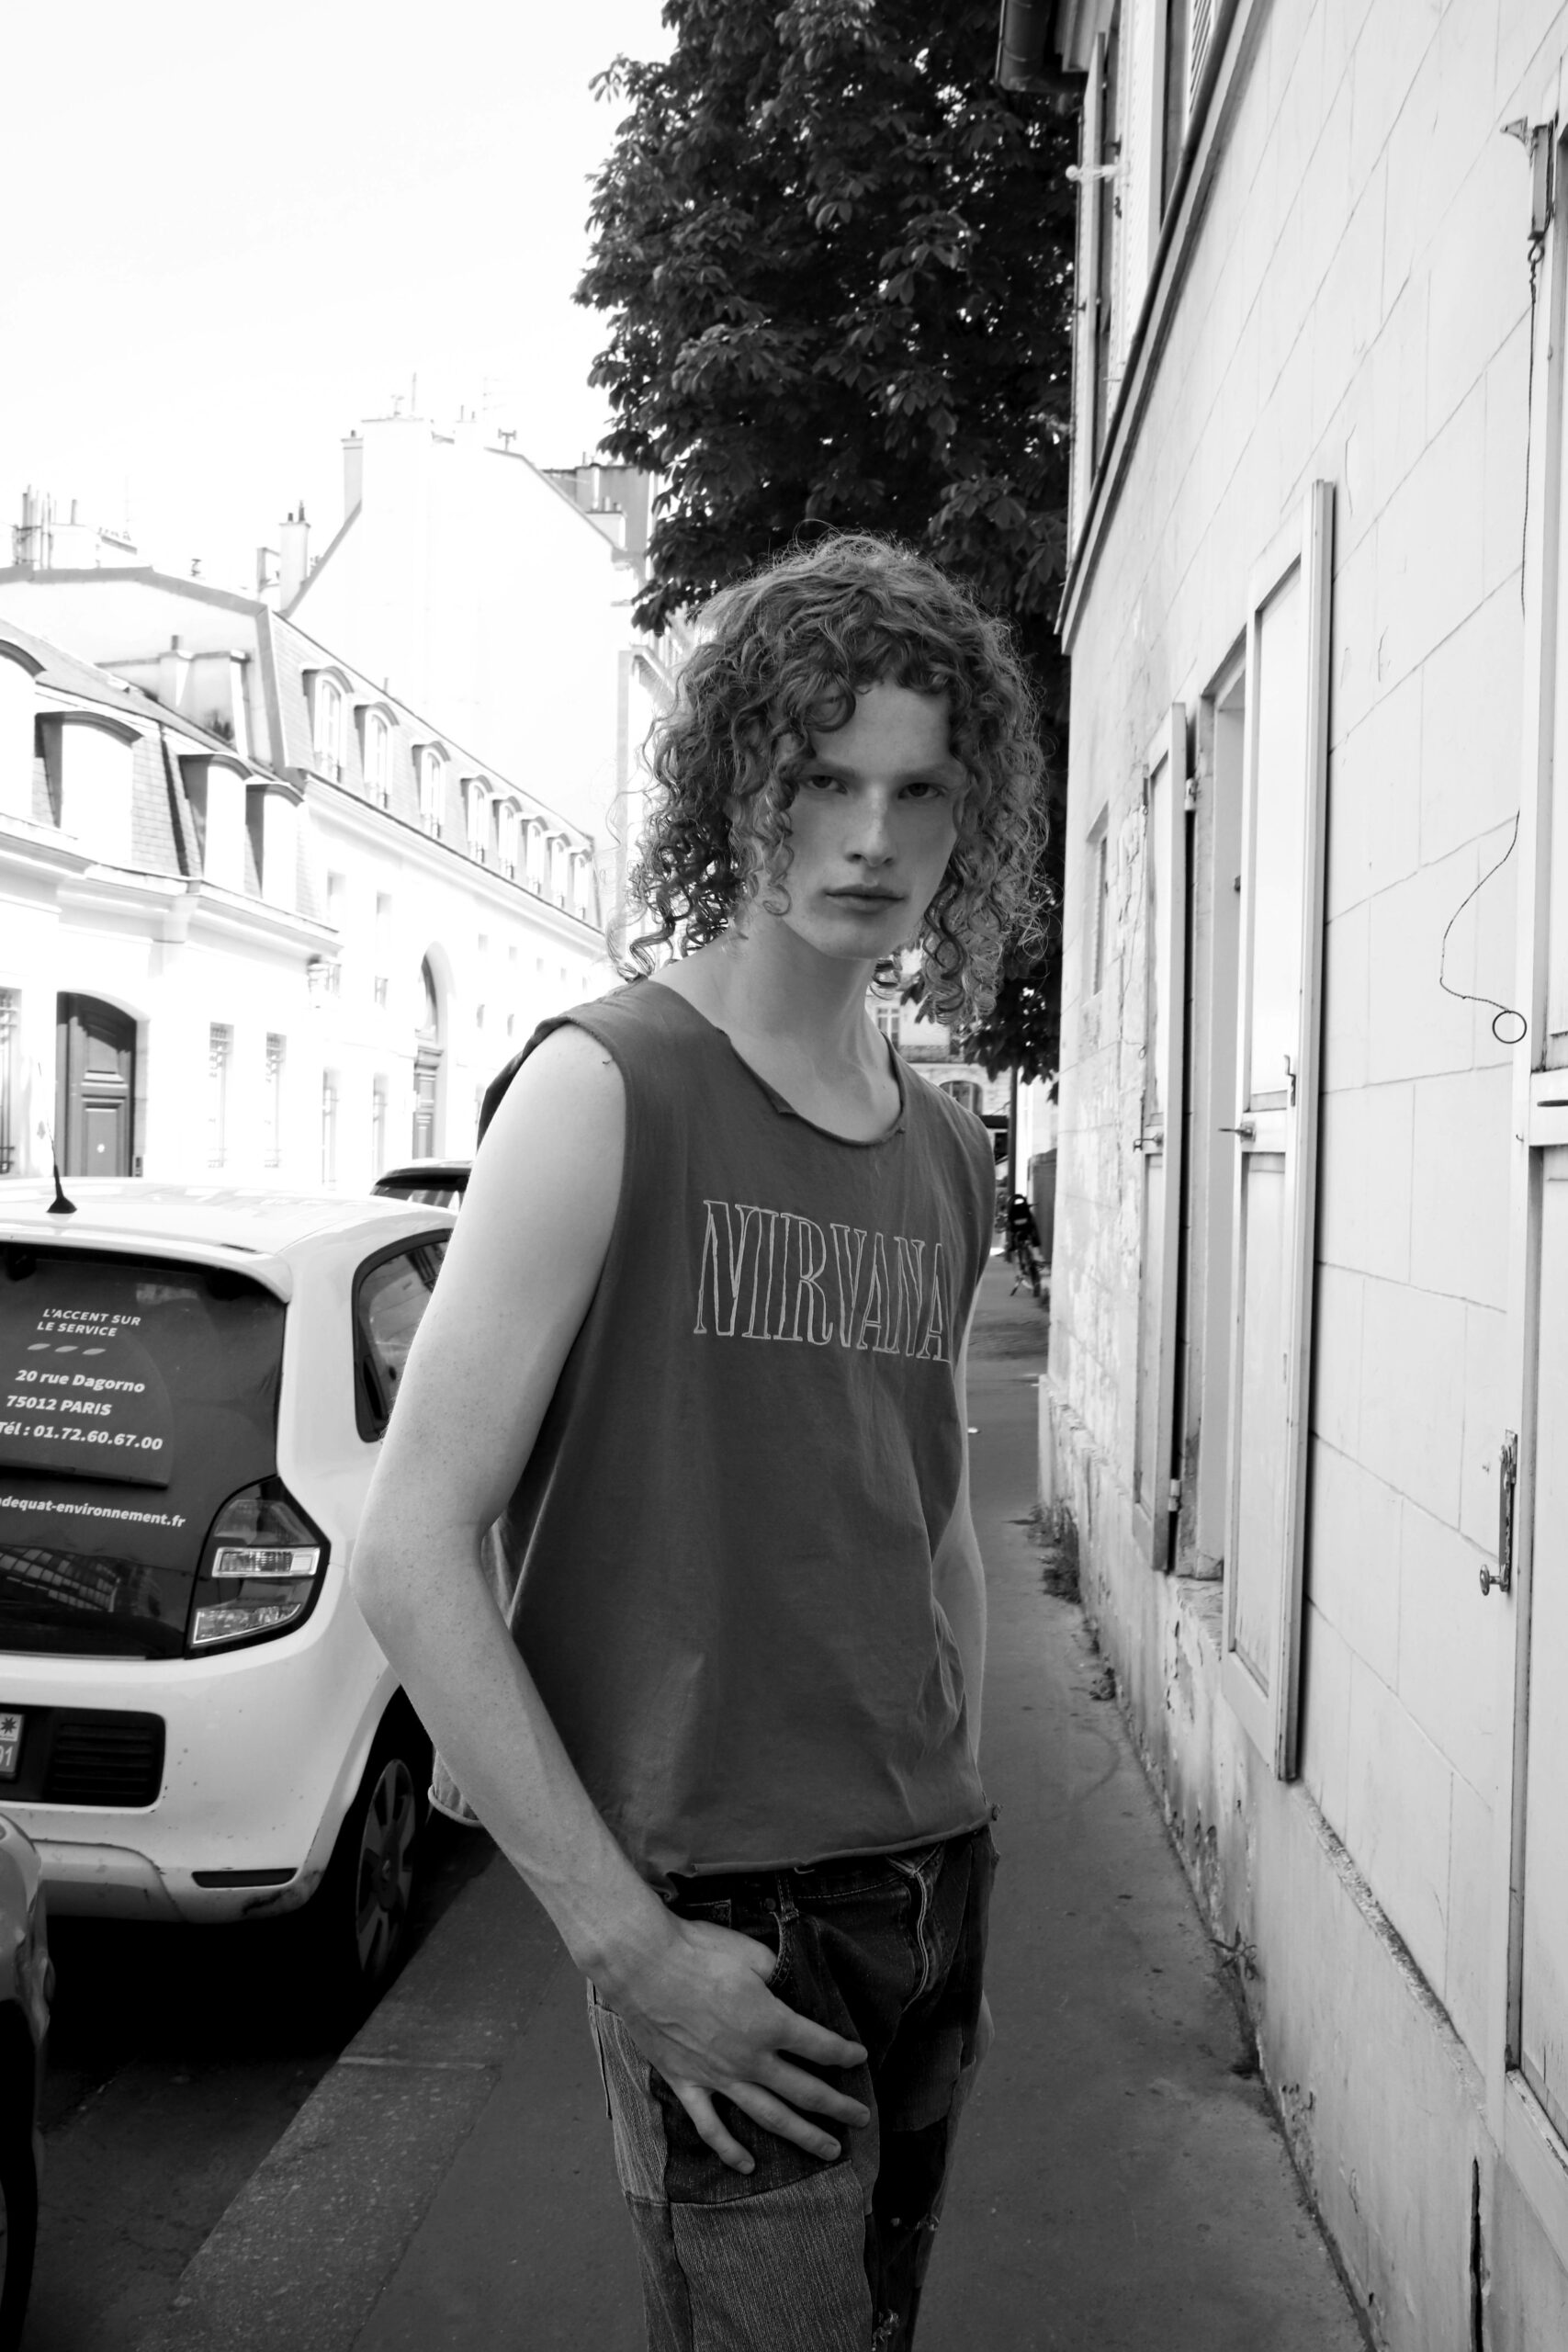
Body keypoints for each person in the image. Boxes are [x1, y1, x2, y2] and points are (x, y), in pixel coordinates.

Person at [351, 532, 1045, 2351]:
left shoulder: (945, 1148)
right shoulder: (606, 1088)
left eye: (918, 789)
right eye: (823, 778)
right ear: (738, 783)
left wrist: (959, 1834)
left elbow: (929, 1520)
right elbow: (410, 1549)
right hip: (722, 1907)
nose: (871, 836)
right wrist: (628, 1947)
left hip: (926, 1874)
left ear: (966, 816)